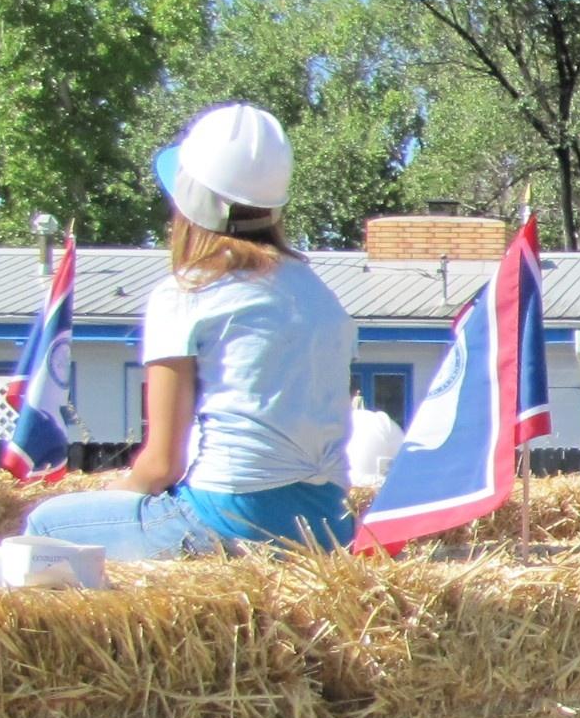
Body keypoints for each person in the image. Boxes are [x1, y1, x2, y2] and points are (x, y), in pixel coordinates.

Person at [23, 103, 359, 560]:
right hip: (328, 527)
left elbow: (161, 465)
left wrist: (115, 493)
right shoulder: (321, 294)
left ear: (190, 200)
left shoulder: (186, 294)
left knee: (45, 525)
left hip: (228, 522)